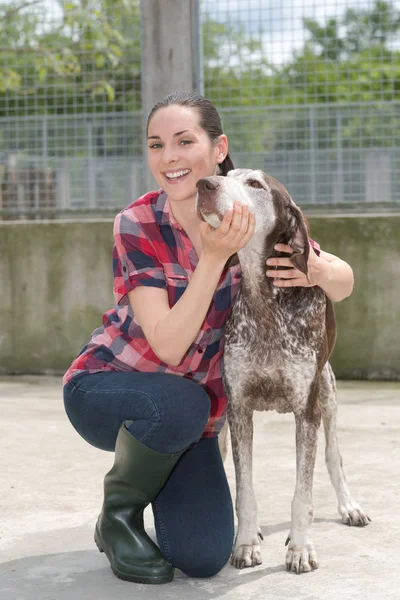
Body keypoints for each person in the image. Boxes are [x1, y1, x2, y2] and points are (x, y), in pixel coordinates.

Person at [62, 91, 354, 585]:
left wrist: (316, 269)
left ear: (218, 149)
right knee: (180, 404)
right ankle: (117, 515)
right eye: (156, 145)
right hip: (110, 388)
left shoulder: (253, 215)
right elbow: (170, 348)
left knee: (200, 555)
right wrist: (216, 256)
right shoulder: (138, 223)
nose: (168, 157)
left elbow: (343, 284)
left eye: (184, 141)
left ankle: (160, 473)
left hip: (194, 418)